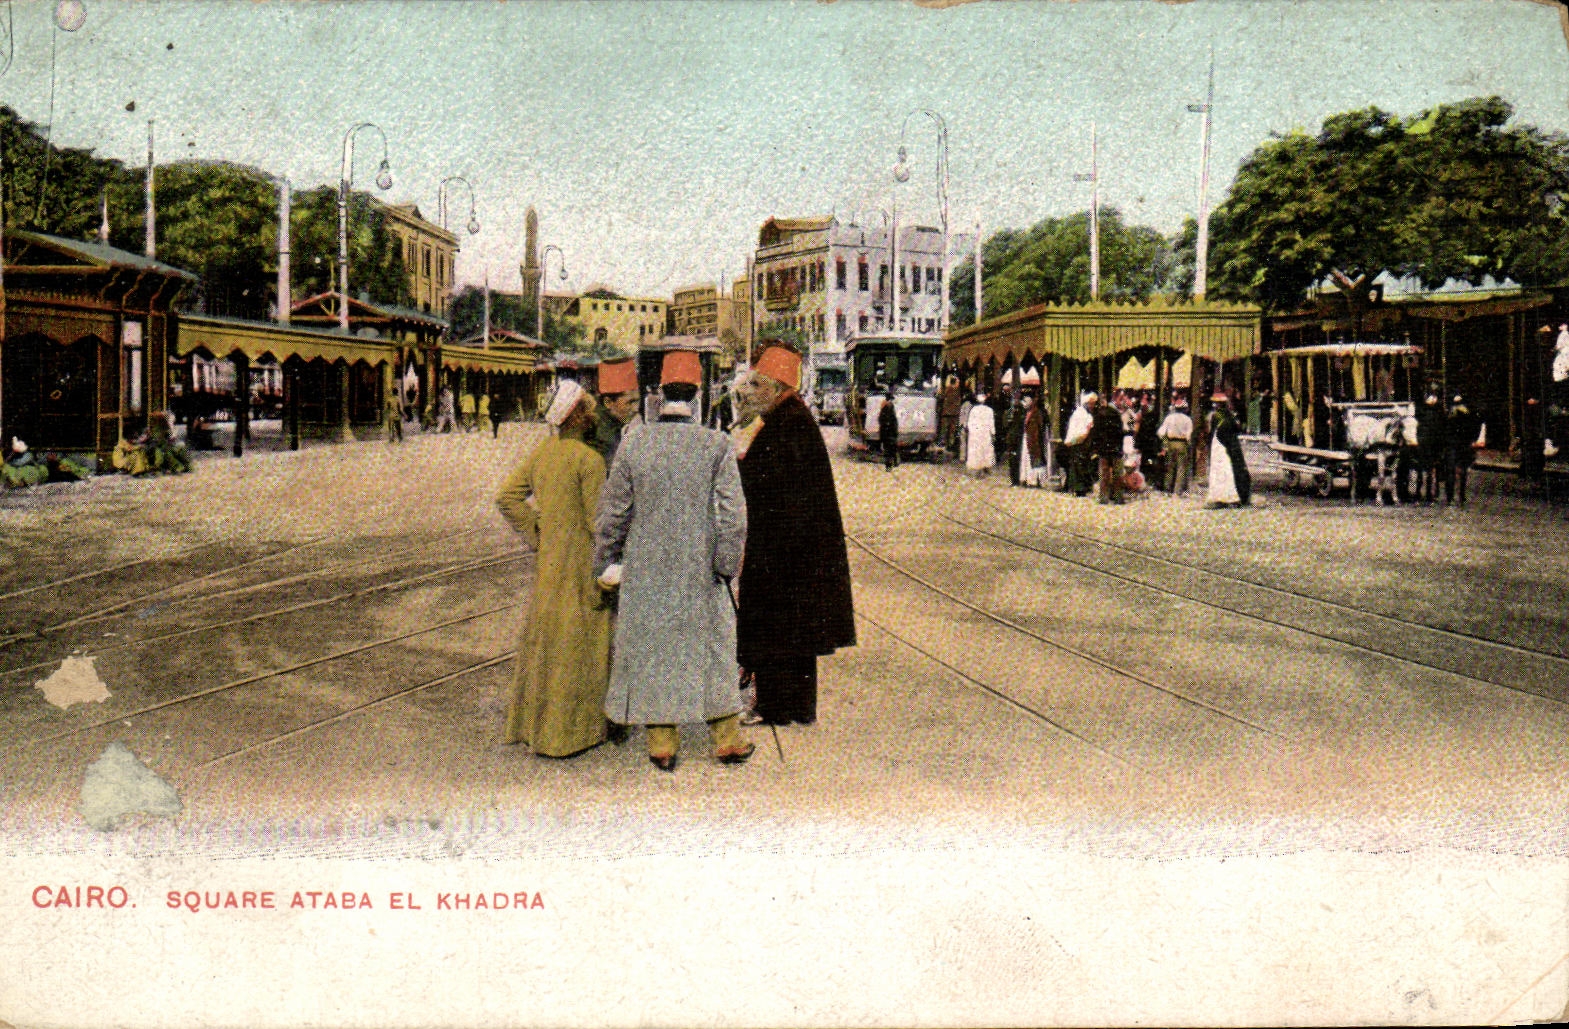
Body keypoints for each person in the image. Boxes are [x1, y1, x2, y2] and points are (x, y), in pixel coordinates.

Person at [594, 350, 753, 770]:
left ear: (658, 393)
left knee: (654, 650)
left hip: (646, 569)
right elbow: (732, 514)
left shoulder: (635, 443)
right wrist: (726, 564)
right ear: (698, 393)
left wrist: (606, 561)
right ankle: (727, 740)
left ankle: (662, 746)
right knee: (714, 650)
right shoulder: (716, 444)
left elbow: (613, 513)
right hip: (700, 567)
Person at [731, 346, 856, 727]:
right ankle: (795, 707)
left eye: (756, 384)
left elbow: (759, 481)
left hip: (782, 551)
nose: (748, 391)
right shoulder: (791, 418)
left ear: (775, 387)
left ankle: (774, 707)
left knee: (778, 628)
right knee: (795, 634)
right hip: (797, 550)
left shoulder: (787, 424)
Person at [495, 381, 614, 758]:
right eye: (589, 409)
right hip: (581, 561)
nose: (593, 415)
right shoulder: (589, 461)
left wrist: (537, 532)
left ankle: (537, 729)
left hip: (550, 559)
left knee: (548, 641)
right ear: (578, 415)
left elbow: (507, 497)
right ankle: (572, 733)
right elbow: (599, 523)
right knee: (580, 643)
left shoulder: (544, 452)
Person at [588, 358, 642, 472]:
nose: (636, 408)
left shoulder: (613, 423)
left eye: (637, 401)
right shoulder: (603, 435)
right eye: (630, 402)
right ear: (608, 402)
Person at [1209, 393, 1252, 507]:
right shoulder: (1230, 416)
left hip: (1219, 445)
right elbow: (1237, 429)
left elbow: (1212, 431)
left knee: (1220, 470)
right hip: (1232, 445)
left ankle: (1221, 496)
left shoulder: (1215, 416)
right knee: (1231, 470)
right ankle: (1235, 496)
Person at [1088, 391, 1125, 504]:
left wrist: (1096, 447)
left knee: (1104, 474)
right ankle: (1118, 497)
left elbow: (1095, 432)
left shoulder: (1098, 414)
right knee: (1117, 474)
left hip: (1103, 448)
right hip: (1115, 447)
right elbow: (1120, 432)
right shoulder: (1116, 414)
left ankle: (1104, 497)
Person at [1446, 394, 1482, 506]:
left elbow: (1445, 431)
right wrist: (1472, 441)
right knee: (1463, 471)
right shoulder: (1469, 416)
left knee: (1451, 471)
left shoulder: (1450, 416)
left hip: (1452, 445)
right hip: (1465, 445)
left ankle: (1450, 496)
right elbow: (1475, 429)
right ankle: (1461, 495)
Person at [1413, 392, 1447, 503]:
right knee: (1430, 472)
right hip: (1430, 446)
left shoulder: (1423, 413)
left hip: (1426, 445)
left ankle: (1423, 493)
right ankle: (1429, 494)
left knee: (1424, 472)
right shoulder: (1437, 414)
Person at [1158, 397, 1194, 496]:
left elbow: (1161, 432)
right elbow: (1188, 435)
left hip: (1170, 443)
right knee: (1181, 467)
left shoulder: (1169, 418)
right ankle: (1177, 490)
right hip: (1182, 443)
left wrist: (1164, 441)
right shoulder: (1187, 419)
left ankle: (1167, 488)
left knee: (1169, 466)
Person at [1062, 392, 1095, 496]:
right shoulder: (1083, 415)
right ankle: (1080, 488)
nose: (1093, 406)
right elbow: (1083, 431)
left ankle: (1076, 487)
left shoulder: (1079, 413)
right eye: (1091, 404)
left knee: (1077, 466)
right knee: (1079, 466)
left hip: (1076, 442)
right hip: (1079, 442)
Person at [1018, 393, 1048, 487]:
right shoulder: (1026, 413)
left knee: (1034, 459)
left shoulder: (1036, 413)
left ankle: (1034, 480)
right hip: (1027, 438)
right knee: (1027, 459)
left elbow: (1039, 427)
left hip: (1033, 439)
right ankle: (1026, 478)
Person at [965, 391, 996, 476]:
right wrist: (993, 433)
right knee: (986, 449)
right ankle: (985, 466)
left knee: (977, 449)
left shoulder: (973, 410)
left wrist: (971, 431)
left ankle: (977, 467)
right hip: (985, 432)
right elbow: (991, 422)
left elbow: (970, 423)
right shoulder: (989, 410)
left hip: (976, 433)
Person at [1135, 396, 1163, 491]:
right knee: (1152, 463)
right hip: (1152, 444)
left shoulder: (1144, 418)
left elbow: (1140, 433)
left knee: (1145, 463)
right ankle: (1153, 481)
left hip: (1145, 444)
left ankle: (1145, 480)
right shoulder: (1155, 417)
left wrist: (1138, 445)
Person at [939, 375, 962, 455]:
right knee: (950, 431)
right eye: (958, 382)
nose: (958, 384)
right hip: (952, 414)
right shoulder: (953, 390)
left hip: (947, 413)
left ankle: (945, 445)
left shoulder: (947, 389)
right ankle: (948, 445)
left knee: (946, 431)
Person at [878, 387, 900, 472]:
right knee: (890, 449)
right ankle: (890, 464)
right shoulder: (889, 406)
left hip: (885, 432)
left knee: (889, 449)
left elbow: (880, 419)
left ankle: (892, 463)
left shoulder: (884, 406)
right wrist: (895, 431)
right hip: (889, 432)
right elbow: (893, 420)